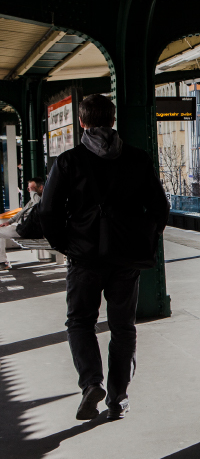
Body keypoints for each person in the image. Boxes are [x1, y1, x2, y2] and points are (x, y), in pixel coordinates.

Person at [38, 93, 170, 421]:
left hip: (84, 257)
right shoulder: (137, 159)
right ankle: (119, 398)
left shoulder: (68, 161)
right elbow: (159, 208)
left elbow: (48, 211)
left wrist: (67, 244)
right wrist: (145, 240)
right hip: (125, 258)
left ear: (81, 122)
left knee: (80, 321)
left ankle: (91, 384)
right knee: (123, 326)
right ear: (113, 121)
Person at [0, 177, 43, 270]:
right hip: (21, 226)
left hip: (26, 229)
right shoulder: (32, 200)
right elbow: (21, 212)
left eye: (32, 188)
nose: (30, 191)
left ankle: (2, 262)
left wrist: (33, 193)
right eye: (29, 189)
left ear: (41, 188)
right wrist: (9, 222)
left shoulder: (42, 199)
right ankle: (2, 261)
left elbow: (38, 204)